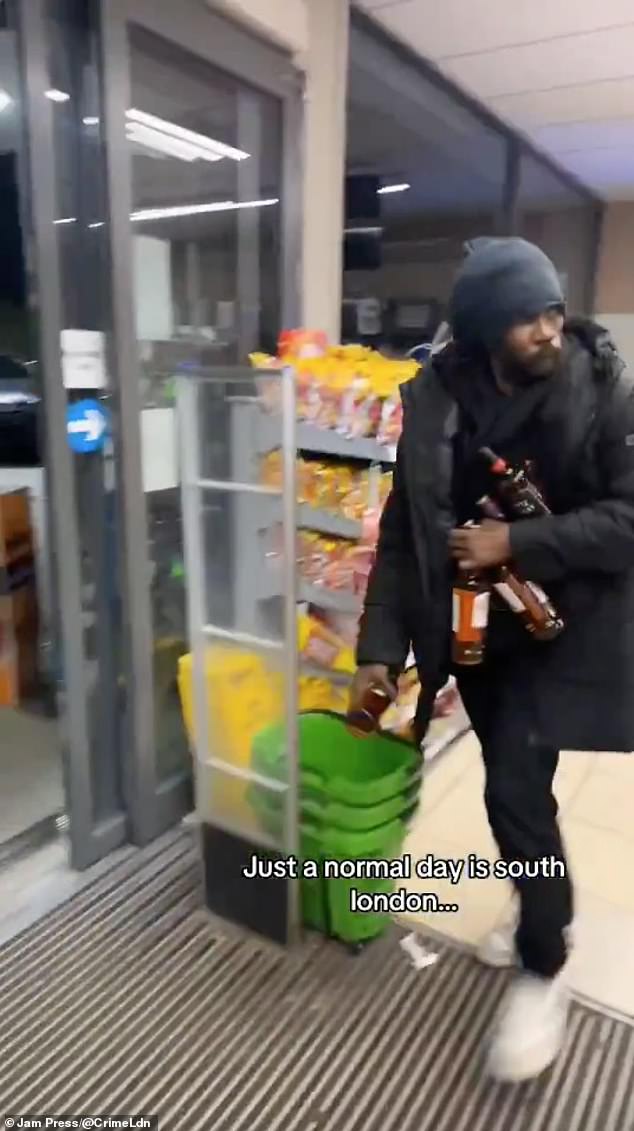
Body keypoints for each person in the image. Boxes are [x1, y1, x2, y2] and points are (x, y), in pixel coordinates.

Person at [351, 237, 634, 1083]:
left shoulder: (606, 392)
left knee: (512, 789)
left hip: (568, 629)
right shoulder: (439, 399)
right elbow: (407, 537)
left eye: (554, 309)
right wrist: (376, 651)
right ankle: (538, 898)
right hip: (477, 636)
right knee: (521, 795)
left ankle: (544, 963)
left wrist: (520, 539)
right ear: (481, 331)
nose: (550, 328)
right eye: (527, 317)